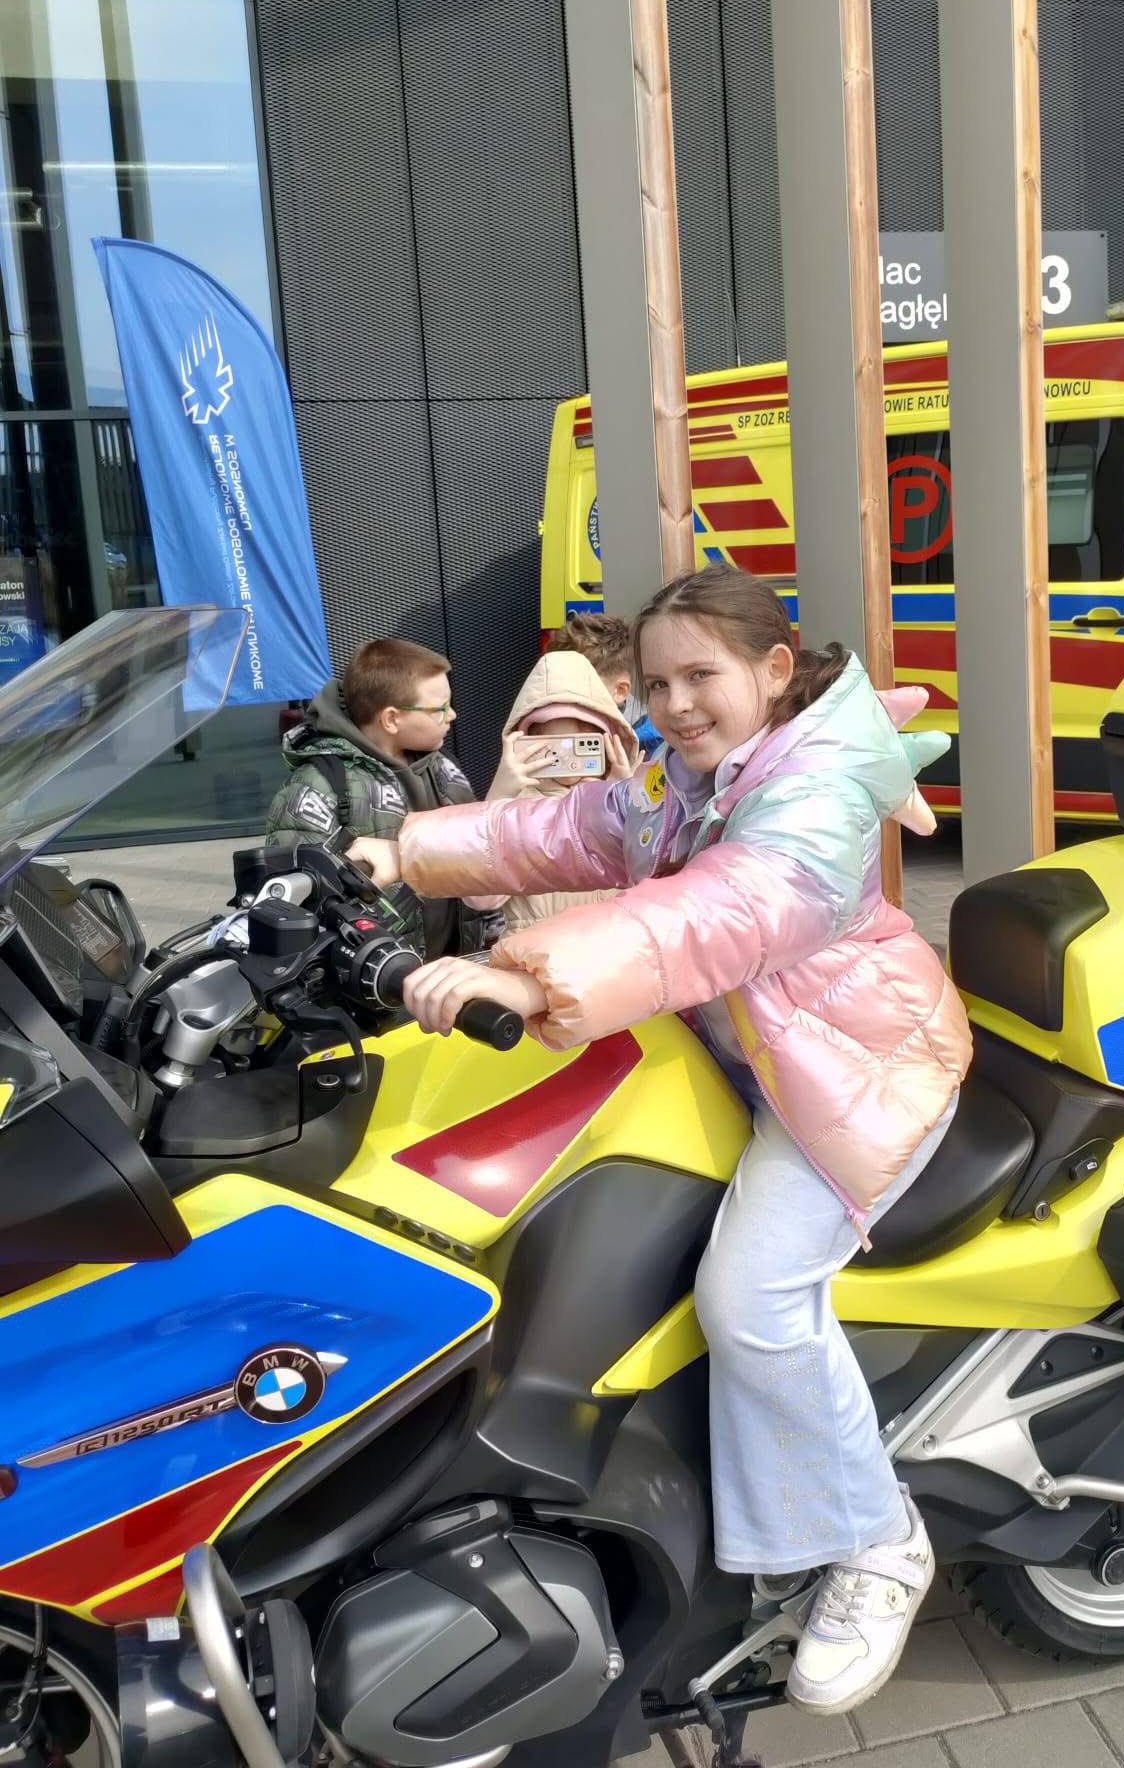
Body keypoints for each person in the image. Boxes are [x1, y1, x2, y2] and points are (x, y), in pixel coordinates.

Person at [351, 564, 972, 1716]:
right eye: (657, 682)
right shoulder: (684, 774)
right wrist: (407, 850)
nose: (677, 703)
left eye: (701, 677)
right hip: (736, 1054)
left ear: (773, 671)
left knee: (751, 1294)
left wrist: (529, 976)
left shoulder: (813, 788)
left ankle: (876, 1538)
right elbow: (571, 824)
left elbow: (720, 911)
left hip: (847, 1076)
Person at [267, 636, 493, 958]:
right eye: (440, 709)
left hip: (457, 967)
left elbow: (478, 850)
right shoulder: (316, 787)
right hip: (379, 978)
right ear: (391, 719)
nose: (453, 714)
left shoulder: (443, 766)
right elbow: (295, 909)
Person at [483, 646, 638, 930]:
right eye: (555, 746)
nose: (568, 759)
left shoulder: (616, 796)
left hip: (612, 945)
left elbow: (647, 874)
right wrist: (498, 800)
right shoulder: (514, 807)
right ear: (528, 740)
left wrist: (624, 799)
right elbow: (481, 899)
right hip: (533, 950)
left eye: (583, 744)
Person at [545, 611, 662, 749]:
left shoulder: (652, 745)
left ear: (620, 691)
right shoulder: (548, 727)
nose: (565, 699)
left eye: (580, 691)